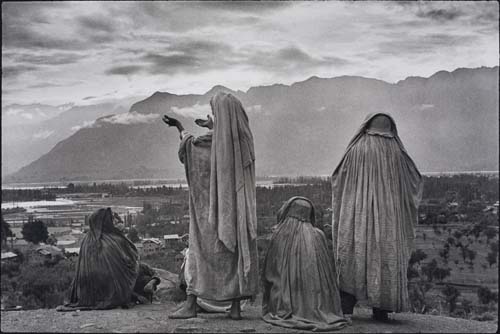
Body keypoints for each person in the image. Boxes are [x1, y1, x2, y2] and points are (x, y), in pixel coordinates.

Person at [163, 91, 259, 320]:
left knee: (199, 253)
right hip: (235, 213)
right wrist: (214, 126)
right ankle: (235, 308)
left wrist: (179, 127)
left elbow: (189, 148)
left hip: (207, 213)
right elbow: (226, 141)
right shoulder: (244, 142)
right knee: (232, 255)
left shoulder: (206, 144)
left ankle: (191, 303)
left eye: (215, 113)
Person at [331, 113, 423, 322]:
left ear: (366, 125)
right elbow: (414, 180)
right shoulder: (397, 152)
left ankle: (346, 309)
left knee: (353, 255)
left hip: (358, 216)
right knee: (385, 256)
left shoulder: (356, 149)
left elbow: (338, 177)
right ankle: (381, 310)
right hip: (388, 218)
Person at [262, 196, 348, 331]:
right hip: (319, 301)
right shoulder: (318, 235)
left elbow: (269, 272)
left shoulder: (279, 233)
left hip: (283, 301)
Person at [59, 208, 140, 310]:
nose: (113, 221)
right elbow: (131, 259)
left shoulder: (86, 240)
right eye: (111, 219)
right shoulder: (116, 240)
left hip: (85, 292)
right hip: (113, 290)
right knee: (137, 268)